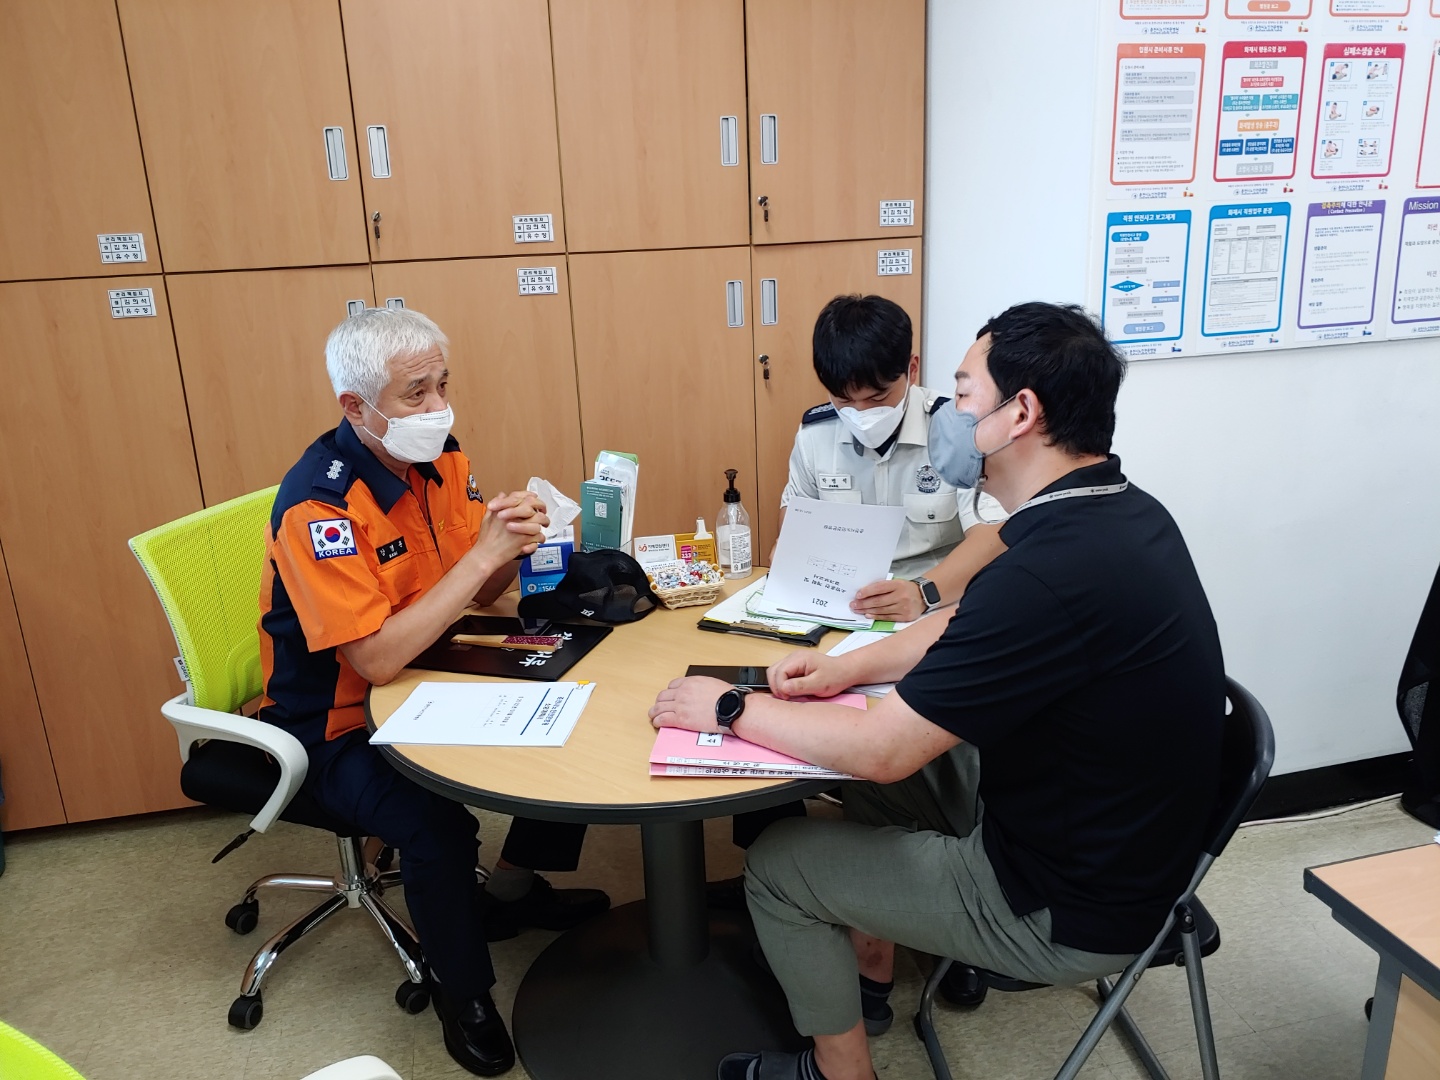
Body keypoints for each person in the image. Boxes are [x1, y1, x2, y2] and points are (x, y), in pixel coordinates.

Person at [650, 302, 1225, 1080]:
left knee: (782, 862)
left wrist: (729, 706)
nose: (950, 416)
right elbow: (960, 619)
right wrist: (849, 669)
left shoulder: (1048, 573)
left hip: (1064, 903)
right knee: (862, 778)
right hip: (1108, 841)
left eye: (962, 394)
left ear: (1019, 414)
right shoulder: (1115, 512)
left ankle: (839, 1072)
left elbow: (882, 751)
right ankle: (870, 963)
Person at [258, 307, 609, 1076]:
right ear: (356, 407)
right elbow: (376, 659)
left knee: (568, 705)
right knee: (436, 826)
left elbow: (475, 592)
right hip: (336, 720)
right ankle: (463, 992)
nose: (438, 407)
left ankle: (511, 890)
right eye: (415, 392)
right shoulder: (319, 506)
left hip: (429, 669)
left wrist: (522, 541)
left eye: (443, 385)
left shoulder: (441, 458)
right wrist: (481, 556)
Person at [711, 294, 1007, 901]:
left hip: (929, 610)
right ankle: (769, 855)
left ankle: (920, 859)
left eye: (877, 398)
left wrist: (923, 591)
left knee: (902, 719)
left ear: (912, 369)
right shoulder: (816, 432)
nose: (861, 414)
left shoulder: (956, 431)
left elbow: (994, 533)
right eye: (846, 401)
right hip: (838, 610)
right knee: (769, 681)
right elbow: (796, 530)